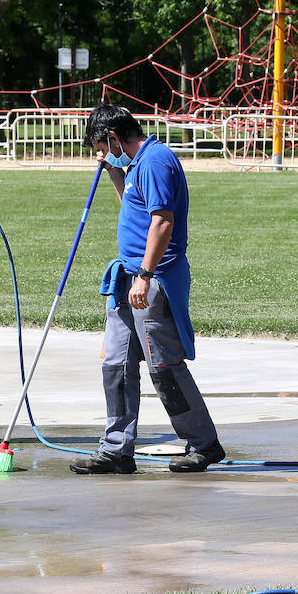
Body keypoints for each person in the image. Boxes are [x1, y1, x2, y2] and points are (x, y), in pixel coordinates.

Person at [70, 104, 224, 474]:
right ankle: (116, 448)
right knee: (116, 363)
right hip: (127, 277)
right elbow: (135, 209)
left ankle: (204, 444)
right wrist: (113, 173)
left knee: (163, 365)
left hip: (152, 280)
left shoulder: (156, 161)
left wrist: (144, 274)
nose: (100, 155)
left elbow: (162, 222)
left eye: (101, 148)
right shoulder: (137, 165)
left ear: (113, 137)